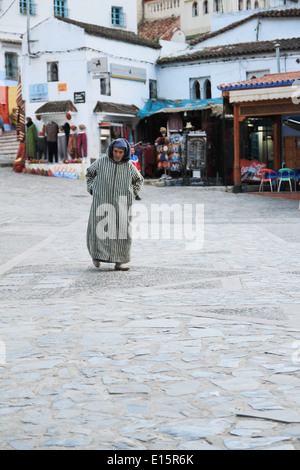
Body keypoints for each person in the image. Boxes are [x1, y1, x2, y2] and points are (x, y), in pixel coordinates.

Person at [86, 138, 144, 271]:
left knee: (122, 231)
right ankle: (97, 256)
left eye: (120, 152)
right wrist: (92, 188)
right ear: (111, 150)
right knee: (99, 230)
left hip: (122, 206)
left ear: (125, 153)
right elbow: (89, 174)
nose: (117, 155)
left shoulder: (129, 166)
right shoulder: (101, 162)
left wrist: (131, 193)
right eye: (115, 151)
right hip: (101, 202)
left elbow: (139, 180)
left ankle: (120, 261)